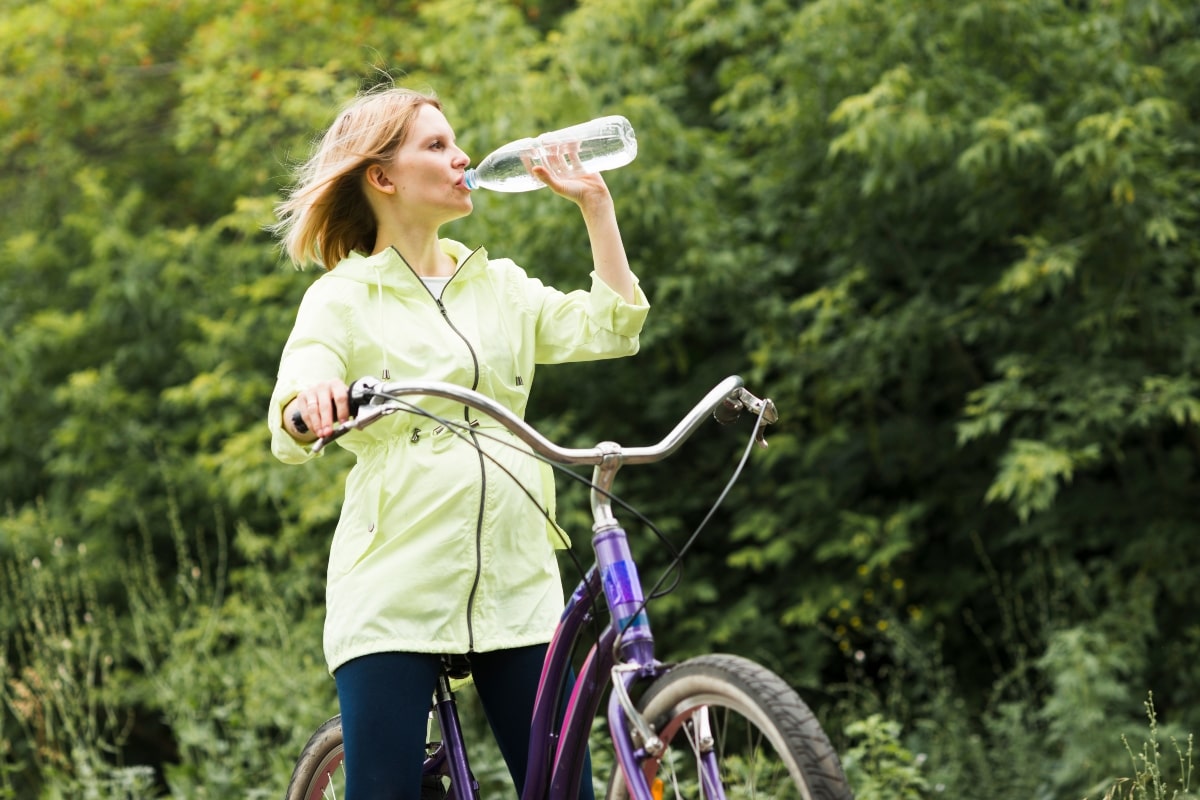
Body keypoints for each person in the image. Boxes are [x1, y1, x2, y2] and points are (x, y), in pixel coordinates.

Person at [267, 84, 649, 800]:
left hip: (518, 581)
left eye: (456, 142)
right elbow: (297, 393)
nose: (462, 157)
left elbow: (610, 326)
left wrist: (596, 206)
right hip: (395, 587)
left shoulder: (497, 285)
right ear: (382, 178)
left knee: (566, 792)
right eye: (436, 145)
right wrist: (310, 403)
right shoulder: (344, 297)